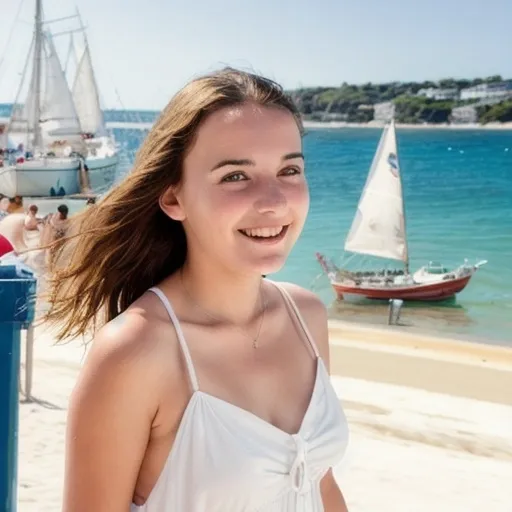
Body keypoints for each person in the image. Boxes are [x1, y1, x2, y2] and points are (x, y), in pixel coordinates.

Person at [44, 68, 350, 512]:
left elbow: (321, 487)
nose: (274, 201)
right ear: (173, 198)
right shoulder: (136, 351)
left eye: (289, 169)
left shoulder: (306, 317)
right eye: (235, 176)